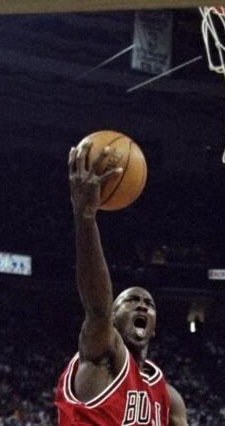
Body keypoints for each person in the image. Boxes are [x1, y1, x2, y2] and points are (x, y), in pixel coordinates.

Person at [55, 142, 189, 426]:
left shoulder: (169, 397)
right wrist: (86, 217)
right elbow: (97, 309)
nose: (142, 304)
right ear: (114, 318)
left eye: (149, 304)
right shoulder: (101, 356)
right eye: (130, 301)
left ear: (154, 329)